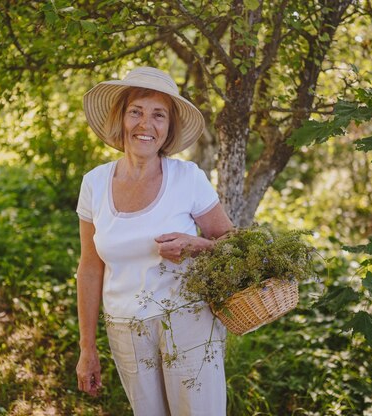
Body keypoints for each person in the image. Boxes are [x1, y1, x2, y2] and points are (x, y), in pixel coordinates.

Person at [75, 66, 234, 415]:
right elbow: (89, 267)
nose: (146, 124)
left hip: (188, 321)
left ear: (168, 127)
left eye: (158, 115)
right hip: (124, 329)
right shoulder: (94, 183)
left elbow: (233, 244)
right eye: (136, 112)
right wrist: (88, 347)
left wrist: (198, 245)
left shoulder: (187, 178)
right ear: (121, 118)